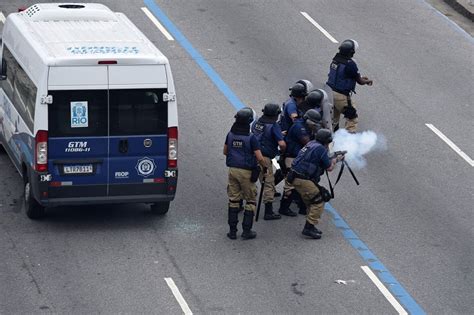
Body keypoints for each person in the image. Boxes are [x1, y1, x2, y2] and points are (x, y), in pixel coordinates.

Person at [289, 129, 343, 239]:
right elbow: (329, 168)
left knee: (311, 199)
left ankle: (310, 223)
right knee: (319, 200)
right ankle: (308, 228)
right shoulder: (321, 149)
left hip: (296, 176)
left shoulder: (311, 144)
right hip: (302, 178)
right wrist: (336, 160)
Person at [224, 107, 267, 240]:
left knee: (234, 200)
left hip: (232, 170)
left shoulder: (230, 135)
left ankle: (232, 231)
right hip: (247, 172)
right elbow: (260, 158)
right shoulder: (251, 138)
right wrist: (265, 167)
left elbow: (225, 151)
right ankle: (246, 231)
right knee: (250, 201)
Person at [279, 109, 322, 217]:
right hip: (292, 157)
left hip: (299, 157)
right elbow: (307, 142)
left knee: (304, 180)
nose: (315, 125)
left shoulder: (307, 126)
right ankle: (284, 208)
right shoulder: (299, 127)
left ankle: (302, 206)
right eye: (314, 123)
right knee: (291, 184)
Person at [326, 39, 373, 133]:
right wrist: (367, 81)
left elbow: (343, 76)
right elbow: (359, 81)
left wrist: (361, 77)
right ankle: (348, 142)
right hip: (341, 96)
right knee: (352, 117)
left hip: (329, 92)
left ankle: (329, 139)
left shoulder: (336, 59)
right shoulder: (350, 64)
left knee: (333, 119)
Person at [251, 103, 287, 220]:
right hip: (264, 158)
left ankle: (240, 204)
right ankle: (268, 211)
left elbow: (261, 135)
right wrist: (282, 150)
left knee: (250, 179)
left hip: (252, 155)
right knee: (268, 182)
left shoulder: (257, 122)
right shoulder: (274, 125)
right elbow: (281, 144)